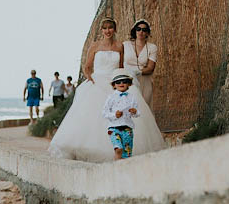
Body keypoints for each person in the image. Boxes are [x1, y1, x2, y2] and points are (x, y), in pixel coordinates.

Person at [49, 18, 166, 162]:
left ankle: (122, 149)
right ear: (101, 31)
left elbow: (121, 67)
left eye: (110, 28)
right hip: (97, 82)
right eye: (105, 28)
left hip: (112, 83)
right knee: (92, 115)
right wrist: (90, 78)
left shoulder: (119, 46)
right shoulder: (95, 46)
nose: (107, 31)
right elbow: (86, 67)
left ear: (115, 29)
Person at [102, 72, 140, 160]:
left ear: (128, 84)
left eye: (124, 81)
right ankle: (115, 167)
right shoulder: (111, 97)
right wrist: (114, 115)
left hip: (127, 128)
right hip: (114, 128)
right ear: (114, 85)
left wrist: (134, 111)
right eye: (118, 82)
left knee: (127, 154)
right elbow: (104, 112)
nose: (121, 84)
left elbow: (137, 113)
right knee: (118, 149)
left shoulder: (132, 97)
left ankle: (123, 170)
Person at [124, 19, 159, 106]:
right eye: (138, 29)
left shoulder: (152, 47)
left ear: (147, 33)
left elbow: (151, 68)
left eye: (144, 30)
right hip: (127, 79)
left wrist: (138, 72)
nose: (141, 32)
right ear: (135, 31)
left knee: (144, 106)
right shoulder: (125, 45)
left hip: (144, 79)